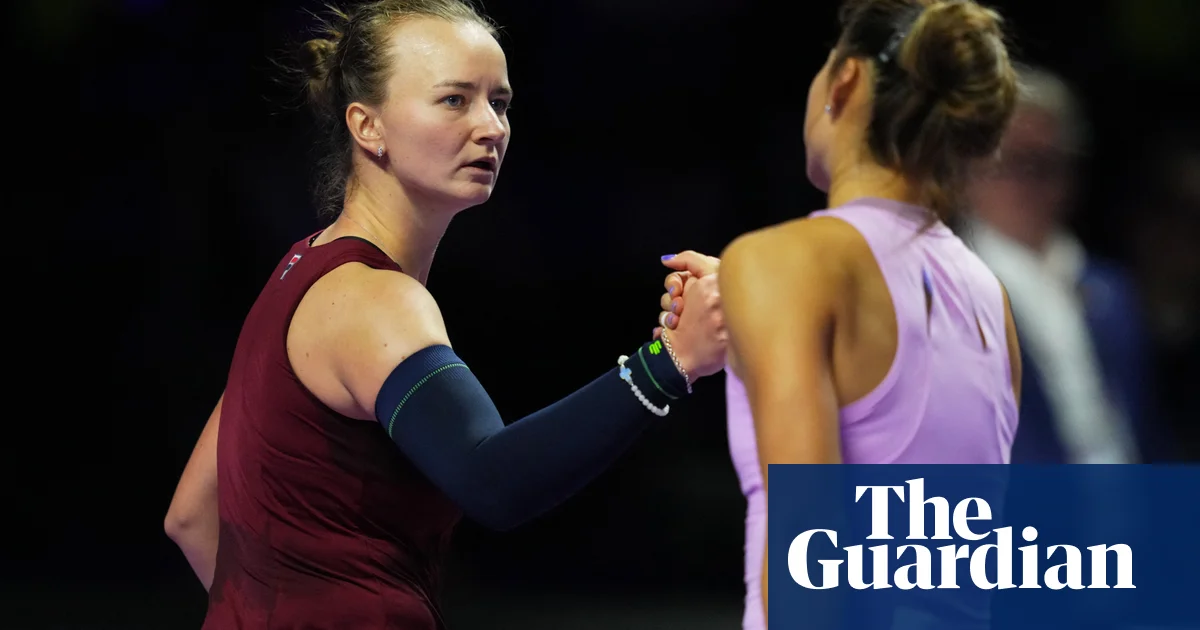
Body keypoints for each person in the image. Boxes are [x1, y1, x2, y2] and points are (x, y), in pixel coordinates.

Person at [162, 1, 727, 628]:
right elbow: (493, 482)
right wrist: (670, 362)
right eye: (454, 100)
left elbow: (190, 515)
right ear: (367, 126)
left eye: (500, 103)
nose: (491, 127)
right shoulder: (373, 299)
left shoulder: (301, 270)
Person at [664, 0, 1024, 627]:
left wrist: (764, 280)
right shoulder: (991, 297)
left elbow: (812, 574)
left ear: (845, 80)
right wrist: (754, 303)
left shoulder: (784, 263)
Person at [964, 63, 1159, 464]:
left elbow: (1144, 425)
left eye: (1044, 163)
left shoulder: (1111, 288)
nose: (1026, 183)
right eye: (1009, 161)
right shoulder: (938, 290)